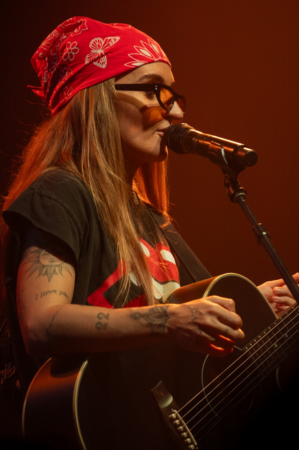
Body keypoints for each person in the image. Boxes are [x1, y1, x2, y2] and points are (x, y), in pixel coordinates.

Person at [1, 16, 298, 449]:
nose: (176, 111)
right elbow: (43, 324)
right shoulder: (60, 191)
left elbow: (188, 316)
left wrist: (258, 305)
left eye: (175, 96)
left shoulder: (151, 220)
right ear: (98, 98)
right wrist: (172, 319)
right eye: (154, 89)